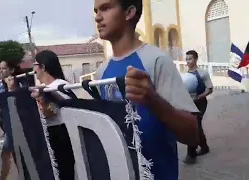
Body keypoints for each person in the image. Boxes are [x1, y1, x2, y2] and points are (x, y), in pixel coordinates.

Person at [93, 0, 199, 179]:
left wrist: (153, 100)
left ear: (129, 13)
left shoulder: (157, 61)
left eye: (106, 8)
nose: (97, 17)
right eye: (96, 10)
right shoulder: (101, 72)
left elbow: (192, 136)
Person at [28, 50, 75, 180]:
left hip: (60, 134)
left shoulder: (60, 85)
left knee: (63, 172)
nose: (34, 69)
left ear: (43, 66)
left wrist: (43, 101)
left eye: (35, 64)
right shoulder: (42, 87)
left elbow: (56, 111)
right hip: (47, 133)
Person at [184, 50, 212, 164]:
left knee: (193, 126)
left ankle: (191, 154)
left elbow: (210, 89)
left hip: (200, 103)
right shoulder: (185, 75)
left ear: (195, 59)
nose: (188, 61)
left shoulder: (202, 73)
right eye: (186, 59)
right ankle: (204, 147)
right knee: (196, 126)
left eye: (190, 58)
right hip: (188, 103)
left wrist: (199, 97)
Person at [0, 60, 24, 180]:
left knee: (8, 154)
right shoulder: (0, 84)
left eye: (3, 68)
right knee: (12, 155)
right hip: (9, 124)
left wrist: (11, 89)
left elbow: (18, 104)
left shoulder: (19, 82)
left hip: (18, 125)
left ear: (11, 70)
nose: (0, 71)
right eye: (0, 68)